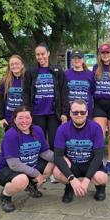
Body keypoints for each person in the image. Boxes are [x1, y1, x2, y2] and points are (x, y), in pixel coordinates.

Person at [0, 106, 55, 212]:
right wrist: (36, 173)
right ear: (14, 119)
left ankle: (31, 185)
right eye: (20, 118)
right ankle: (5, 196)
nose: (24, 121)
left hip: (29, 164)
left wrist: (62, 157)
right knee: (22, 180)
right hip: (7, 169)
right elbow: (14, 164)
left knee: (52, 165)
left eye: (27, 117)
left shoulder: (37, 130)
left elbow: (44, 152)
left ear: (32, 118)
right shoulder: (11, 135)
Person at [22, 43, 69, 183]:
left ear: (48, 54)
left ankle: (56, 171)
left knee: (54, 143)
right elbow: (26, 93)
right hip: (37, 114)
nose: (40, 57)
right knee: (39, 143)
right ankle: (40, 170)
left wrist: (64, 112)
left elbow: (63, 92)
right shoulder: (31, 71)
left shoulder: (57, 71)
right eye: (38, 54)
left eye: (43, 53)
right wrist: (27, 112)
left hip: (54, 113)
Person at [53, 99, 108, 203]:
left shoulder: (95, 127)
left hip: (90, 163)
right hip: (73, 164)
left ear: (87, 113)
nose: (79, 115)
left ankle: (100, 187)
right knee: (56, 172)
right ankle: (70, 187)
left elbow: (99, 156)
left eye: (82, 112)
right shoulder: (62, 129)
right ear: (70, 113)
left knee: (101, 177)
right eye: (75, 112)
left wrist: (87, 180)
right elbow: (57, 156)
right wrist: (71, 179)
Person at [92, 43, 110, 176]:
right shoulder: (95, 68)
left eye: (107, 53)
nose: (105, 55)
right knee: (99, 135)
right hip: (99, 105)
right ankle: (99, 162)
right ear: (100, 54)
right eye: (103, 53)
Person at [0, 55, 25, 130]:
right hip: (9, 119)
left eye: (17, 63)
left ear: (22, 65)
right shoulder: (5, 80)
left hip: (24, 119)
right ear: (9, 67)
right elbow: (1, 101)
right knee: (11, 140)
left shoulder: (27, 79)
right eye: (12, 64)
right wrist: (2, 118)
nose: (14, 66)